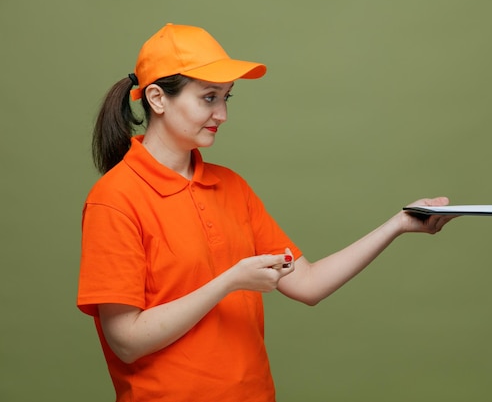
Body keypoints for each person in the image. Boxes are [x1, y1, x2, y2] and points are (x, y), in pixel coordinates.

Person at [77, 23, 454, 402]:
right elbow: (126, 341)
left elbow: (307, 284)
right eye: (209, 98)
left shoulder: (231, 187)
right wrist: (229, 281)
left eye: (227, 98)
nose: (222, 114)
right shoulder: (115, 198)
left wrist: (399, 223)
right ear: (157, 98)